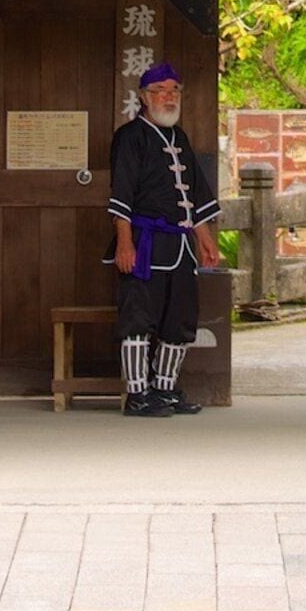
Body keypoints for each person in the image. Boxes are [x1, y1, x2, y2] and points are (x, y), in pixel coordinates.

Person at [106, 61, 217, 417]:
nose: (168, 97)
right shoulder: (129, 137)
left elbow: (195, 193)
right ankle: (137, 395)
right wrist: (125, 243)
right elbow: (121, 193)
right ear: (143, 97)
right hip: (144, 244)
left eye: (174, 91)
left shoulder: (178, 137)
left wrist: (205, 237)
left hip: (181, 245)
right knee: (138, 316)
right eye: (160, 91)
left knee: (180, 317)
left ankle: (165, 389)